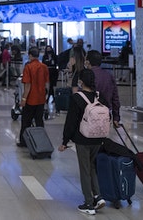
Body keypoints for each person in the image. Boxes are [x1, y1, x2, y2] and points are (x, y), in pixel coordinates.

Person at [59, 68, 106, 215]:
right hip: (99, 138)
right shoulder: (99, 97)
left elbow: (71, 122)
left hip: (83, 138)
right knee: (91, 166)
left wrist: (65, 141)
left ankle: (88, 203)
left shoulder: (77, 98)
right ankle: (98, 196)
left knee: (85, 169)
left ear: (81, 81)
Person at [17, 47, 49, 147]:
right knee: (39, 121)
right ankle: (41, 141)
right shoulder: (44, 67)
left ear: (30, 55)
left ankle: (23, 142)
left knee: (26, 121)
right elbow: (47, 83)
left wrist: (23, 99)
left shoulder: (28, 67)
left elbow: (28, 85)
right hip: (41, 98)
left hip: (31, 99)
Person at [83, 50, 122, 128]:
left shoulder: (86, 76)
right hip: (105, 114)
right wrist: (116, 117)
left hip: (88, 114)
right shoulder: (109, 75)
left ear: (88, 62)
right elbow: (115, 98)